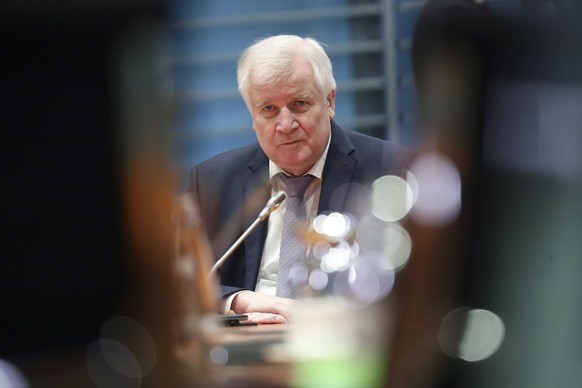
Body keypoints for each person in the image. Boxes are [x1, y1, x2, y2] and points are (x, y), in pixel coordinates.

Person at [188, 34, 414, 324]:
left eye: (299, 104)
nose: (285, 125)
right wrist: (237, 300)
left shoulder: (391, 171)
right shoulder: (213, 180)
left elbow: (412, 288)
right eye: (268, 109)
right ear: (252, 114)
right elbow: (184, 285)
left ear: (330, 101)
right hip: (242, 343)